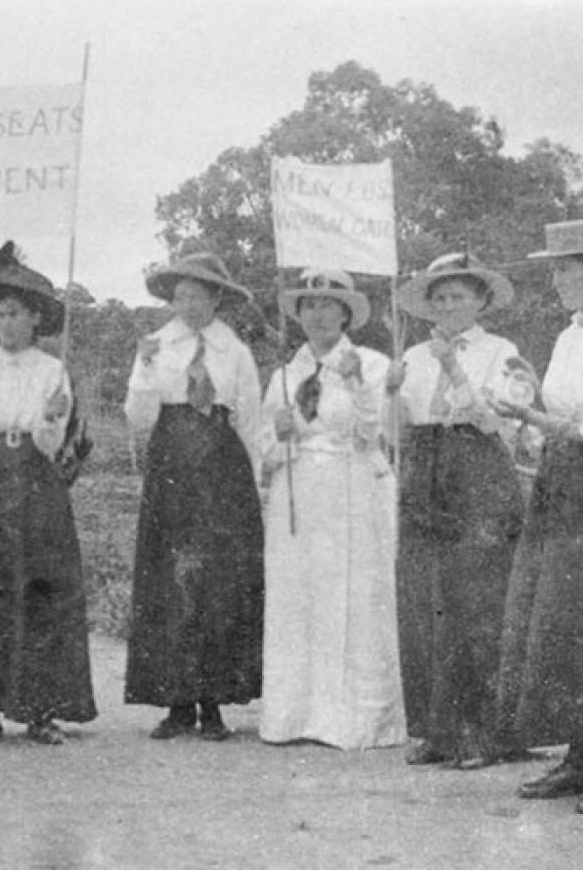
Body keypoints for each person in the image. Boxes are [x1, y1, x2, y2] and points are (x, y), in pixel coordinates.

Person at [0, 256, 96, 746]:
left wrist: (51, 420)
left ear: (35, 319)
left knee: (40, 592)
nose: (7, 323)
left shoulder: (53, 369)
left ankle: (39, 709)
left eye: (16, 314)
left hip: (35, 482)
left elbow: (53, 447)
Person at [388, 252, 526, 769]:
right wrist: (392, 393)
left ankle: (482, 733)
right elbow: (398, 429)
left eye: (460, 297)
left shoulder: (499, 350)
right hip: (427, 473)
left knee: (477, 602)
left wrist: (452, 364)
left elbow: (494, 421)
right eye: (440, 298)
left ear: (481, 301)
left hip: (478, 473)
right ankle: (439, 730)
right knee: (427, 598)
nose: (449, 306)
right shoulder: (415, 356)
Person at [258, 269, 406, 750]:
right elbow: (263, 446)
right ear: (298, 314)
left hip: (352, 489)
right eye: (309, 305)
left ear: (346, 313)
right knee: (300, 596)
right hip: (298, 492)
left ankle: (353, 719)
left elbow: (373, 432)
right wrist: (278, 436)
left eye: (329, 304)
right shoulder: (286, 374)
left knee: (354, 596)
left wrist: (361, 386)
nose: (318, 314)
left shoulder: (371, 363)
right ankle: (296, 714)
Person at [123, 251, 264, 740]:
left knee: (218, 582)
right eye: (180, 294)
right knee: (171, 580)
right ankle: (176, 702)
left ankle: (214, 703)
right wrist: (143, 367)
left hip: (222, 470)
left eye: (199, 295)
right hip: (172, 467)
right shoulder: (156, 344)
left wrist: (261, 480)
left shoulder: (235, 351)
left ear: (216, 298)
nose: (188, 303)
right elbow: (139, 417)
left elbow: (249, 418)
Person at [492, 220, 583, 812]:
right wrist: (531, 399)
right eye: (555, 269)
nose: (560, 279)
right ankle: (578, 757)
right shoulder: (567, 339)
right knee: (560, 619)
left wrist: (537, 420)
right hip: (562, 484)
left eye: (569, 267)